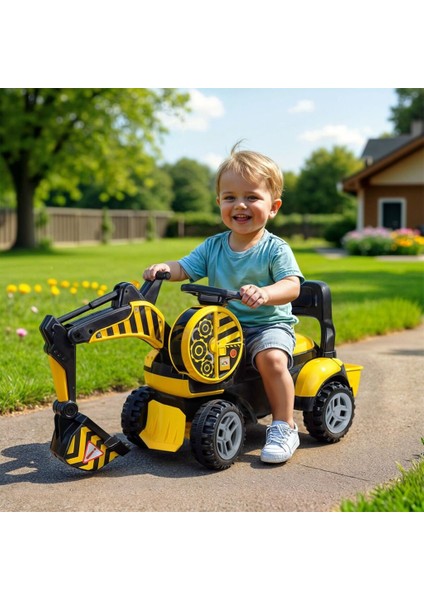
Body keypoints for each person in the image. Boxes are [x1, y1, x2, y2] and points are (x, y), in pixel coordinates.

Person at [143, 143, 304, 464]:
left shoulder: (275, 249)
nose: (240, 205)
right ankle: (184, 409)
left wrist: (265, 293)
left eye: (252, 197)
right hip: (223, 327)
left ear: (273, 207)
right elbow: (184, 267)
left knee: (272, 359)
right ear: (219, 203)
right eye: (230, 197)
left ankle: (284, 426)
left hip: (266, 326)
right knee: (179, 353)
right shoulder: (213, 246)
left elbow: (292, 285)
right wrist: (165, 268)